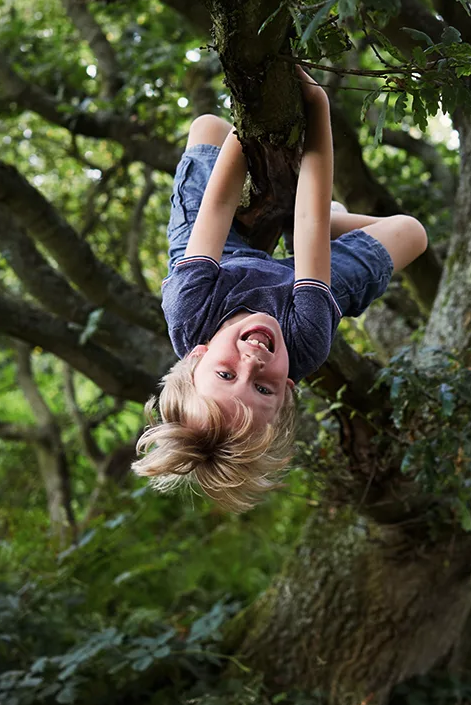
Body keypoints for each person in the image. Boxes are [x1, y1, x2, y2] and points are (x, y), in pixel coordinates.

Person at [133, 68, 428, 511]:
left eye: (227, 375)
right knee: (412, 233)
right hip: (298, 286)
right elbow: (309, 226)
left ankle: (317, 218)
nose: (253, 363)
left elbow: (217, 204)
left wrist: (250, 121)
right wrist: (318, 106)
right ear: (289, 388)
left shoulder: (188, 309)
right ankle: (328, 221)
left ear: (197, 355)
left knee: (208, 128)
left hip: (222, 256)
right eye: (264, 389)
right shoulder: (306, 339)